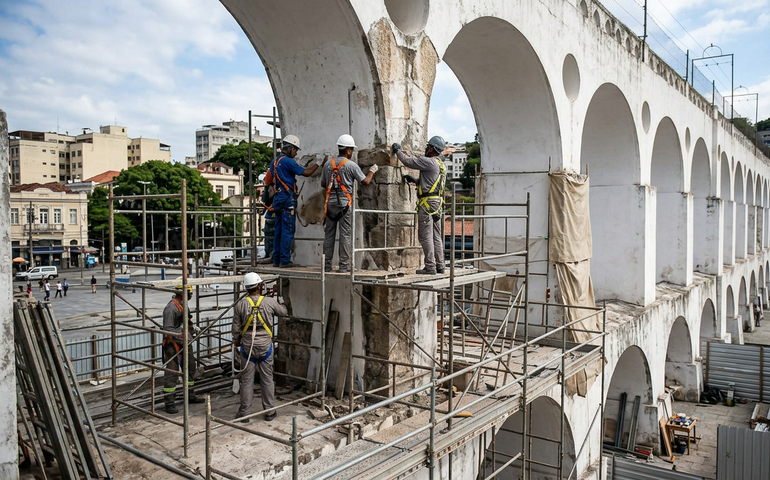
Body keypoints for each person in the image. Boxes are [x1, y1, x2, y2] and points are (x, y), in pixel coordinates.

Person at [232, 272, 287, 422]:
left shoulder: (241, 304)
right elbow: (283, 312)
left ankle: (245, 413)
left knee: (247, 380)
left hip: (247, 347)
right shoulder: (269, 302)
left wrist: (236, 340)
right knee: (267, 379)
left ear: (246, 288)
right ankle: (269, 412)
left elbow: (236, 329)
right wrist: (280, 300)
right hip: (265, 346)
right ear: (259, 286)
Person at [321, 134, 377, 273]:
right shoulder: (351, 165)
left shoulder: (328, 164)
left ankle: (326, 265)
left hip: (330, 205)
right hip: (345, 205)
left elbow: (323, 183)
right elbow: (365, 182)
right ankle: (344, 266)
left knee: (329, 235)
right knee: (345, 235)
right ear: (348, 150)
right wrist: (372, 171)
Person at [392, 136, 448, 275]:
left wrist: (398, 150)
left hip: (427, 204)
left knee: (425, 236)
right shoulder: (441, 165)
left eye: (428, 147)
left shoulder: (428, 162)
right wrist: (417, 181)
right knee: (436, 235)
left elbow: (407, 161)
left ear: (432, 148)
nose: (426, 149)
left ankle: (430, 266)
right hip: (437, 203)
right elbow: (432, 183)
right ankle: (440, 265)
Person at [268, 135, 322, 268]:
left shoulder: (274, 161)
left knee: (279, 230)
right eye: (295, 150)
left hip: (279, 199)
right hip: (287, 199)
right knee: (288, 231)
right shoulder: (288, 162)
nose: (296, 152)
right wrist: (318, 163)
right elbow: (307, 173)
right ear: (289, 148)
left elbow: (270, 180)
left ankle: (276, 259)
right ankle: (285, 260)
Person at [162, 282, 205, 414]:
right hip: (172, 345)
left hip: (185, 342)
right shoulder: (171, 309)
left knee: (190, 369)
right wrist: (181, 336)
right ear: (182, 294)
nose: (191, 296)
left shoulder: (182, 306)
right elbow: (168, 329)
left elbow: (187, 320)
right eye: (190, 293)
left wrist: (193, 328)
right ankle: (169, 402)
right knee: (172, 374)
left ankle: (190, 396)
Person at [258, 173, 276, 264]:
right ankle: (273, 255)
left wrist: (263, 210)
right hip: (276, 215)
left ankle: (269, 254)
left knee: (269, 237)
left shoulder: (269, 187)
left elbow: (265, 200)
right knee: (274, 237)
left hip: (271, 215)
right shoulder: (278, 186)